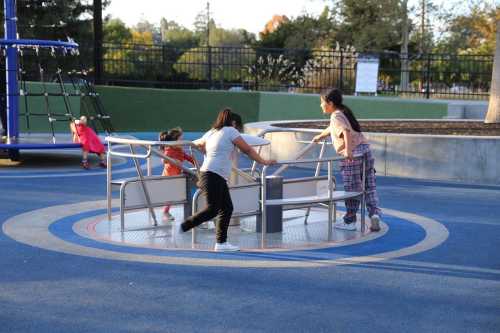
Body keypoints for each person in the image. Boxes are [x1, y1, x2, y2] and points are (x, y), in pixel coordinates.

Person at [179, 108, 276, 252]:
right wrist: (264, 161)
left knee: (226, 208)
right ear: (234, 123)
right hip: (213, 174)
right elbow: (247, 150)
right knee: (212, 210)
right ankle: (183, 227)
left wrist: (206, 151)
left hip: (212, 174)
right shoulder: (231, 131)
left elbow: (197, 143)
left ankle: (221, 243)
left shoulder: (212, 132)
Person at [312, 88, 381, 232]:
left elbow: (345, 132)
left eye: (321, 102)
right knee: (369, 185)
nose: (320, 106)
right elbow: (333, 128)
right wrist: (320, 136)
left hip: (353, 154)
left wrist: (348, 151)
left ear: (329, 103)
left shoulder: (335, 116)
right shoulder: (343, 112)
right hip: (365, 150)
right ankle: (374, 214)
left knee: (352, 188)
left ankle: (350, 221)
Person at [159, 127, 195, 222]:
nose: (182, 142)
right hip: (169, 177)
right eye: (181, 140)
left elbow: (187, 157)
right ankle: (165, 212)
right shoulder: (169, 150)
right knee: (170, 196)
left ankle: (188, 212)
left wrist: (195, 162)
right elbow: (163, 159)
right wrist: (173, 161)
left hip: (176, 176)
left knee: (175, 195)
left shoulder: (180, 150)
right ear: (174, 141)